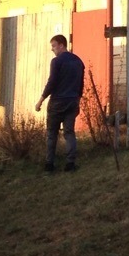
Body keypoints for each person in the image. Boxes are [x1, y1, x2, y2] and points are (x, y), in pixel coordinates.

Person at [35, 34, 85, 173]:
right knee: (69, 132)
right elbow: (81, 84)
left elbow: (52, 82)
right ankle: (70, 164)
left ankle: (49, 165)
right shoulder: (78, 61)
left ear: (62, 45)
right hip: (72, 101)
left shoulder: (56, 62)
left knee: (52, 133)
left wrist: (41, 100)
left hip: (57, 102)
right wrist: (78, 100)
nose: (52, 49)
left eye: (54, 46)